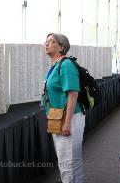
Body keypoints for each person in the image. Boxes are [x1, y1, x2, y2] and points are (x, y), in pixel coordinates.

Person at [42, 33, 85, 183]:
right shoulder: (56, 65)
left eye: (51, 41)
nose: (46, 44)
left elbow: (73, 94)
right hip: (58, 116)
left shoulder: (66, 65)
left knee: (67, 161)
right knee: (71, 159)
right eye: (46, 41)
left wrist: (67, 123)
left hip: (69, 118)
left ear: (61, 47)